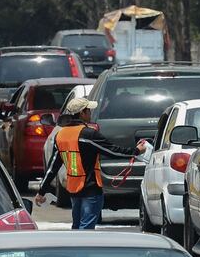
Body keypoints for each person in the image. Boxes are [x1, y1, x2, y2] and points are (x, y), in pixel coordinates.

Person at [35, 97, 146, 230]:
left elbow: (52, 167)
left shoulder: (61, 135)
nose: (90, 113)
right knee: (86, 228)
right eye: (88, 110)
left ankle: (76, 249)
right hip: (91, 188)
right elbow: (113, 151)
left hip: (74, 190)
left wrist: (41, 191)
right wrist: (136, 151)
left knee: (77, 227)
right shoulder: (88, 134)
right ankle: (82, 250)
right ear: (82, 113)